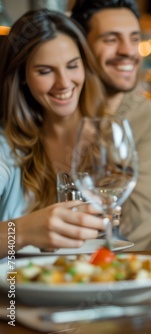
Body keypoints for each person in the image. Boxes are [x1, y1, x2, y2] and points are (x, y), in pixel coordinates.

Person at [70, 0, 151, 250]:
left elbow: (135, 220)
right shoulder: (59, 107)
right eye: (111, 39)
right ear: (81, 47)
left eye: (134, 38)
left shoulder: (148, 117)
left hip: (127, 254)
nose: (129, 51)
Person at [0, 9, 107, 258]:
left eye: (72, 66)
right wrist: (23, 231)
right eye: (45, 71)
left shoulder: (111, 136)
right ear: (23, 77)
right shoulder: (6, 146)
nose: (63, 82)